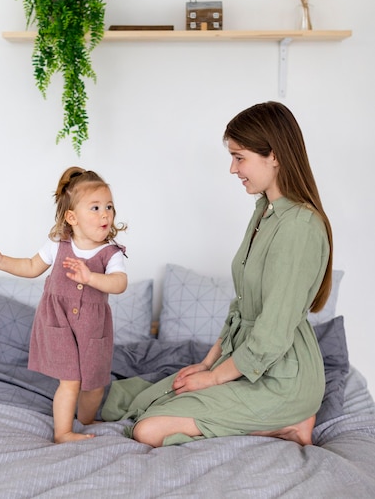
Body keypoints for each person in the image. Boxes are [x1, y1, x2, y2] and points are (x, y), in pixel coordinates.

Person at [102, 101, 332, 448]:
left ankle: (289, 421)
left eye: (239, 157)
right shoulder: (264, 211)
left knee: (147, 429)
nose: (232, 168)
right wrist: (207, 364)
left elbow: (271, 335)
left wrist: (212, 380)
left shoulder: (299, 227)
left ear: (274, 156)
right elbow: (241, 308)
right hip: (245, 363)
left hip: (284, 379)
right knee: (139, 399)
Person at [0, 166, 128, 444]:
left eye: (109, 206)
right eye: (95, 208)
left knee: (94, 385)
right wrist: (1, 261)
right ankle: (63, 432)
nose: (105, 213)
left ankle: (86, 418)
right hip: (57, 323)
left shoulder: (111, 252)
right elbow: (31, 266)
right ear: (72, 217)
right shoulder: (58, 245)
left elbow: (119, 283)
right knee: (70, 380)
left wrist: (91, 277)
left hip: (92, 327)